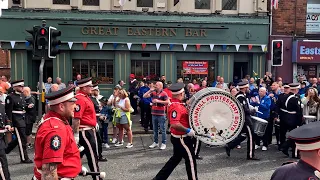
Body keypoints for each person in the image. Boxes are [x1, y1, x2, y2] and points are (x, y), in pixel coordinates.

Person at [33, 85, 82, 180]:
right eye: (72, 103)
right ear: (61, 106)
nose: (75, 106)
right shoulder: (56, 129)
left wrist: (72, 167)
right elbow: (49, 171)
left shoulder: (57, 120)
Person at [153, 82, 198, 180]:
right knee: (191, 161)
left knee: (175, 159)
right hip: (182, 138)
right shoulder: (176, 106)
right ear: (181, 94)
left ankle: (159, 178)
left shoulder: (174, 103)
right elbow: (174, 123)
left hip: (177, 137)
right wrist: (188, 130)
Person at [73, 77, 101, 180]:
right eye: (89, 86)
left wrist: (94, 123)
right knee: (92, 156)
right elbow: (76, 118)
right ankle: (97, 178)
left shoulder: (85, 97)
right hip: (84, 131)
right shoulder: (80, 98)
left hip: (89, 129)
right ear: (84, 88)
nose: (92, 88)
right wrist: (75, 134)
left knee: (79, 155)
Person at [225, 81, 259, 160]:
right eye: (247, 88)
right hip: (245, 120)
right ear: (244, 88)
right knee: (251, 137)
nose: (248, 89)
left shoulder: (241, 96)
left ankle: (230, 146)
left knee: (244, 135)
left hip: (244, 119)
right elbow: (244, 110)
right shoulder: (241, 97)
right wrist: (253, 111)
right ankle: (250, 155)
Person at [5, 80, 32, 163]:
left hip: (23, 119)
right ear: (15, 87)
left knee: (19, 139)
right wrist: (9, 123)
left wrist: (28, 107)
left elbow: (22, 108)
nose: (22, 88)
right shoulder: (10, 97)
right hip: (16, 120)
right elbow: (8, 112)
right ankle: (24, 158)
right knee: (22, 139)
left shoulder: (22, 96)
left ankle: (6, 149)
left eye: (22, 86)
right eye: (20, 86)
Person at [280, 83, 303, 158]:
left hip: (286, 117)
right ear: (296, 89)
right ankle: (295, 153)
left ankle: (285, 146)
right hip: (294, 118)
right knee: (296, 136)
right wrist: (300, 122)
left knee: (292, 135)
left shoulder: (285, 97)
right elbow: (298, 111)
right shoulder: (294, 98)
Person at [90, 84, 108, 161]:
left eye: (97, 90)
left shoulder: (100, 98)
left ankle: (99, 155)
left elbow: (106, 105)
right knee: (95, 140)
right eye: (95, 90)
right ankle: (95, 156)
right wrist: (98, 116)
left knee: (99, 139)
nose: (97, 91)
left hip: (99, 119)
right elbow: (90, 112)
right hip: (94, 120)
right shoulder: (90, 99)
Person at [0, 102, 12, 179]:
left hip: (1, 137)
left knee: (3, 160)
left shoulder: (1, 105)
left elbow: (4, 116)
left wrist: (7, 123)